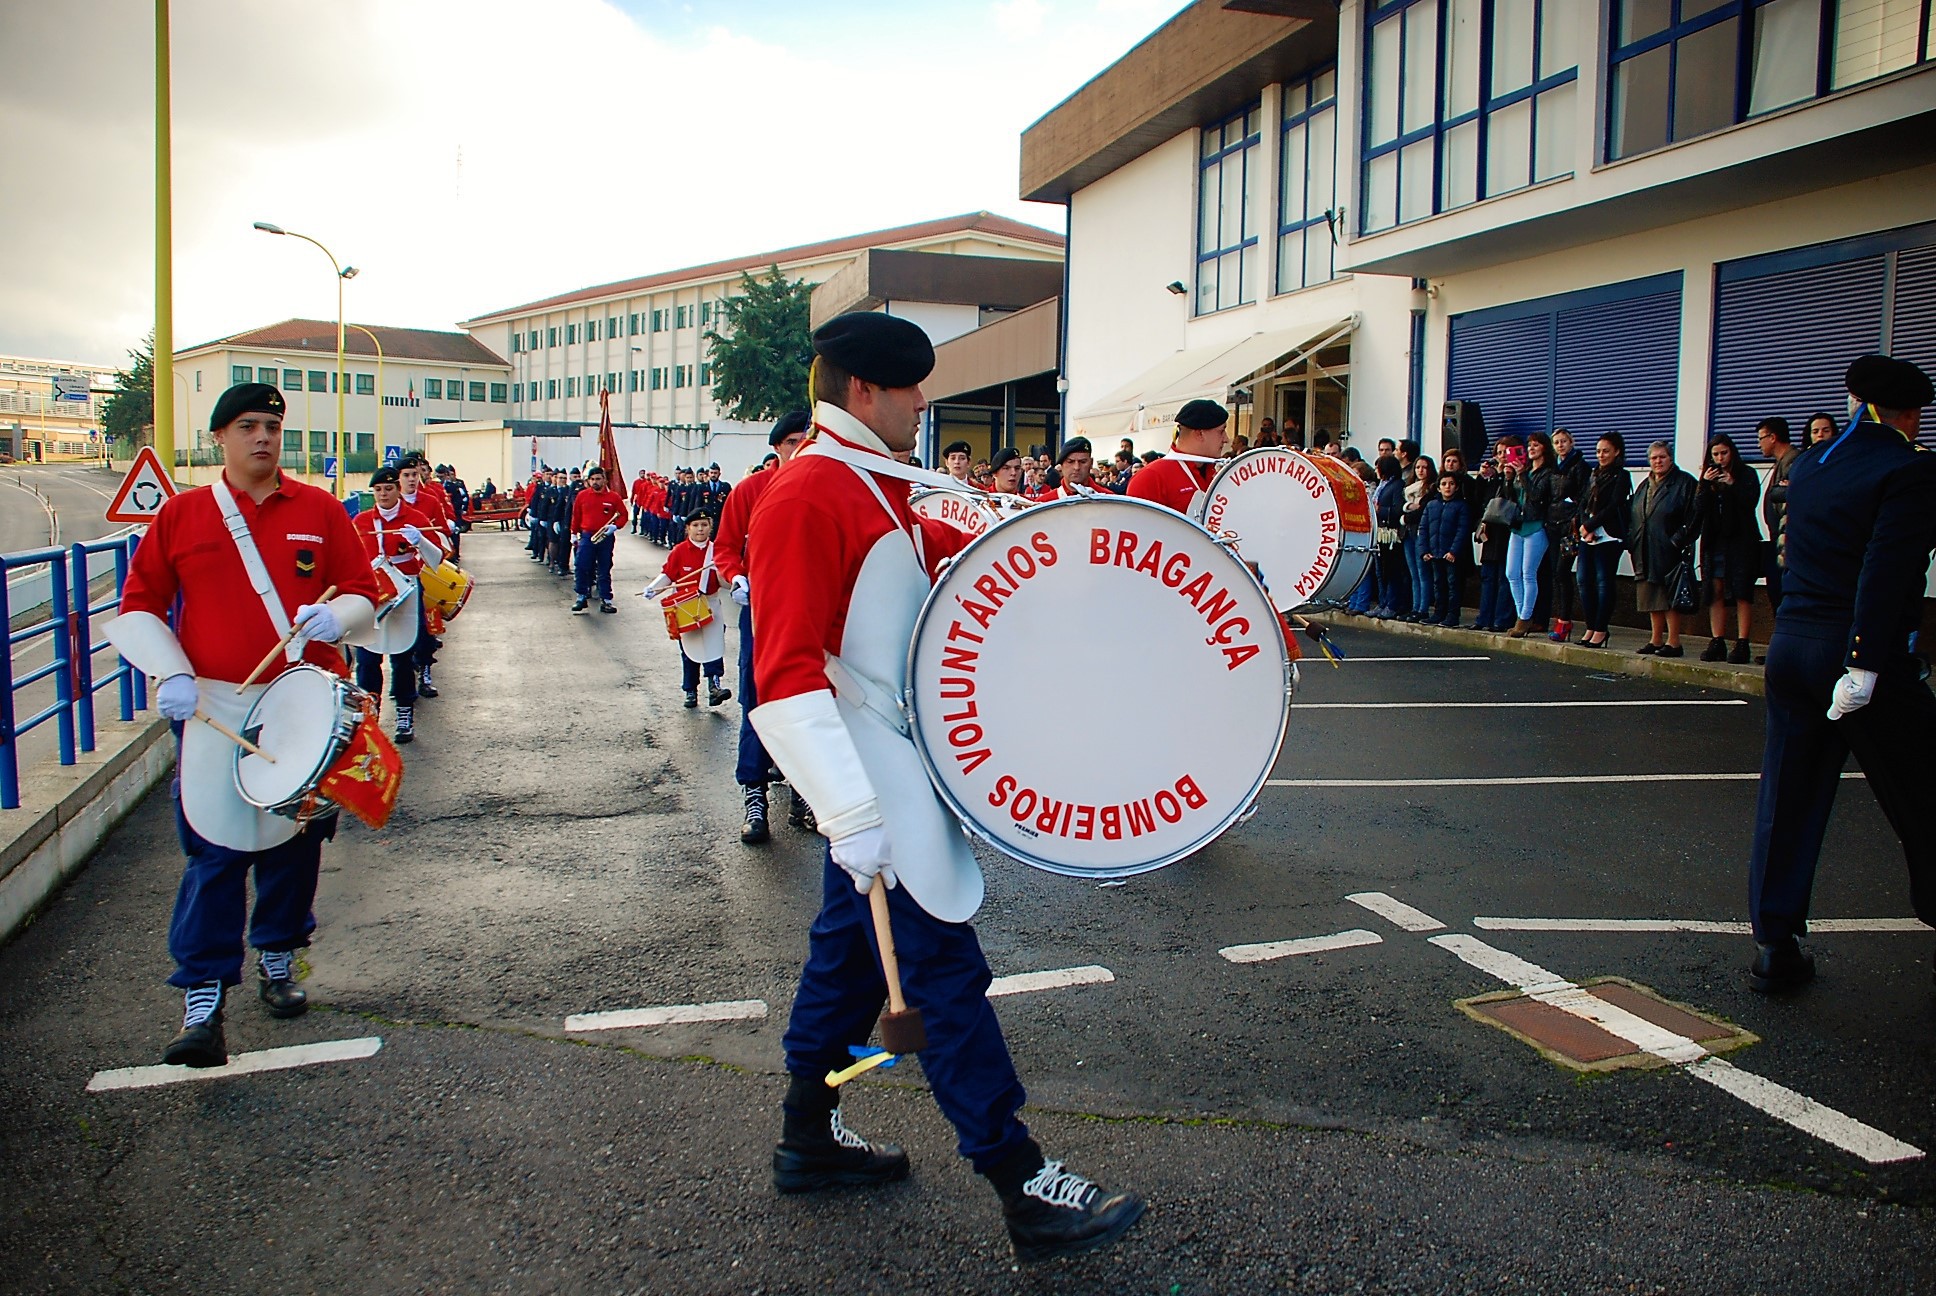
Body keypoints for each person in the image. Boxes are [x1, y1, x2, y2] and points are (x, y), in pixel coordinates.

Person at [746, 311, 1143, 1260]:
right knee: (947, 973)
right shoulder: (808, 495)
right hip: (869, 779)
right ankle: (1021, 1183)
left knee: (848, 962)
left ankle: (809, 1136)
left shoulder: (872, 488)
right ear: (863, 393)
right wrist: (849, 815)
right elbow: (783, 676)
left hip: (886, 769)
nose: (924, 406)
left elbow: (959, 581)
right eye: (910, 389)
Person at [103, 383, 380, 1067]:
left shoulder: (317, 508)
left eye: (273, 426)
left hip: (302, 702)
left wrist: (336, 616)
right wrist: (169, 673)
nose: (263, 437)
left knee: (296, 843)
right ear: (220, 436)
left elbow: (364, 592)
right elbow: (139, 605)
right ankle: (202, 996)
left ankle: (280, 956)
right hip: (213, 704)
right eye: (248, 426)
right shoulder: (183, 515)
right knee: (213, 847)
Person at [1747, 355, 1936, 993]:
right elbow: (1883, 574)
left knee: (1788, 798)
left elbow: (1790, 551)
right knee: (1926, 796)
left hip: (1793, 643)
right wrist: (1862, 661)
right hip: (1855, 653)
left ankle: (1775, 941)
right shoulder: (1907, 470)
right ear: (1905, 413)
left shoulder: (1810, 466)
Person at [714, 410, 814, 844]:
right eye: (792, 442)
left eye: (806, 440)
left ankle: (803, 794)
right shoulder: (750, 491)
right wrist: (736, 575)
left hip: (810, 614)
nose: (800, 449)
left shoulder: (818, 488)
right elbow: (725, 547)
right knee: (757, 704)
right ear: (776, 447)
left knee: (808, 706)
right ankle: (755, 796)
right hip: (760, 614)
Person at [350, 465, 446, 743]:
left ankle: (404, 712)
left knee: (402, 656)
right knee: (367, 659)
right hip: (373, 594)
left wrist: (420, 541)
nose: (383, 494)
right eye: (378, 490)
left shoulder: (414, 518)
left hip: (405, 593)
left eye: (388, 489)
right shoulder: (362, 521)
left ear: (397, 490)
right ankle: (370, 713)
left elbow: (436, 559)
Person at [644, 513, 731, 708]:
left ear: (710, 527)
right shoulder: (679, 551)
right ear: (688, 528)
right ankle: (690, 690)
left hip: (710, 603)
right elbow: (668, 574)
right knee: (690, 650)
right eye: (696, 525)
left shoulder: (717, 551)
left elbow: (726, 581)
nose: (700, 529)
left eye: (704, 525)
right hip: (686, 606)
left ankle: (714, 686)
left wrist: (733, 582)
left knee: (714, 646)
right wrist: (653, 588)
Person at [1628, 440, 1700, 657]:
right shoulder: (1645, 484)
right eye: (1653, 458)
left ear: (1671, 458)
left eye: (1662, 457)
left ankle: (1674, 642)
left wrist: (1677, 541)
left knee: (1670, 597)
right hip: (1645, 547)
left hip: (1670, 548)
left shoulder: (1685, 483)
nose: (1657, 462)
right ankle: (1656, 639)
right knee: (1652, 596)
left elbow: (1695, 517)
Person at [1696, 435, 1763, 663]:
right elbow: (1698, 508)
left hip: (1741, 540)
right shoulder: (1708, 478)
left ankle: (1743, 641)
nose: (1720, 458)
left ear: (1732, 452)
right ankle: (1717, 640)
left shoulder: (1746, 474)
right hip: (1715, 540)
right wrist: (1705, 484)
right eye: (1715, 454)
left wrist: (1732, 485)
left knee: (1742, 590)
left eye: (1724, 453)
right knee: (1715, 590)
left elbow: (1750, 502)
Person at [1574, 433, 1632, 649]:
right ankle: (1590, 626)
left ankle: (1601, 628)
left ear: (1617, 451)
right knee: (1583, 581)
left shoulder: (1622, 476)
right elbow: (1582, 503)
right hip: (1587, 535)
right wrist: (1583, 527)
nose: (1601, 455)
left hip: (1608, 535)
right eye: (1598, 451)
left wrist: (1591, 525)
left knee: (1604, 582)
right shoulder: (1593, 474)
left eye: (1606, 451)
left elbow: (1615, 505)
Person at [1504, 431, 1561, 638]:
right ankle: (1522, 614)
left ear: (1545, 448)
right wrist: (1510, 479)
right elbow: (1512, 497)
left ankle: (1526, 617)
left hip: (1536, 526)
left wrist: (1521, 476)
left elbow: (1537, 497)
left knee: (1529, 573)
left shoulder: (1548, 473)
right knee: (1511, 572)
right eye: (1529, 446)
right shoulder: (1525, 470)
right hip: (1518, 525)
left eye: (1536, 445)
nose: (1531, 449)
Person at [1127, 399, 1228, 513]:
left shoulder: (1215, 474)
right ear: (1199, 434)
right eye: (1221, 431)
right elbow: (1138, 527)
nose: (1226, 439)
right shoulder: (1151, 478)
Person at [1546, 430, 1589, 643]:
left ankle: (1565, 620)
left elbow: (1584, 497)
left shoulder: (1580, 466)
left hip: (1569, 528)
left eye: (1564, 441)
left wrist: (1575, 516)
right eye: (1556, 442)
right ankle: (1561, 618)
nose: (1560, 445)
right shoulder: (1552, 466)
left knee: (1563, 571)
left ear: (1572, 442)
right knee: (1556, 572)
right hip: (1552, 525)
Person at [1756, 418, 1800, 618]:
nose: (1758, 444)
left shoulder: (1792, 461)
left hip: (1787, 543)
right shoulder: (1780, 463)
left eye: (1761, 438)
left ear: (1773, 438)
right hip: (1777, 541)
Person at [570, 465, 628, 615]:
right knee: (581, 566)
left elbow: (623, 514)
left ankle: (606, 599)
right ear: (588, 481)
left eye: (598, 479)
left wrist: (615, 527)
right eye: (592, 479)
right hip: (587, 536)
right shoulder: (582, 496)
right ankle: (581, 597)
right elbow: (576, 515)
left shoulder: (613, 497)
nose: (595, 482)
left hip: (605, 537)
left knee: (604, 568)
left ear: (604, 480)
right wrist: (573, 533)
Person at [1472, 438, 1517, 632]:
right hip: (1491, 531)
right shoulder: (1492, 477)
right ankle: (1484, 617)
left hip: (1508, 531)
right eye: (1499, 453)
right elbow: (1479, 500)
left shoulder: (1516, 476)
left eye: (1506, 453)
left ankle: (1502, 619)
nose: (1502, 457)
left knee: (1504, 577)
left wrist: (1504, 477)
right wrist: (1483, 478)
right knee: (1488, 576)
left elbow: (1511, 499)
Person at [1420, 472, 1468, 628]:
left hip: (1451, 554)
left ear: (1457, 487)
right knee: (1438, 584)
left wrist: (1454, 551)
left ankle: (1453, 615)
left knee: (1453, 585)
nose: (1448, 487)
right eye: (1444, 484)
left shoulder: (1461, 506)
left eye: (1451, 484)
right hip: (1435, 552)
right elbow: (1424, 528)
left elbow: (1463, 530)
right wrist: (1424, 550)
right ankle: (1438, 613)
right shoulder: (1431, 505)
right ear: (1439, 488)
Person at [1370, 454, 1407, 619]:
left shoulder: (1397, 485)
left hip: (1390, 534)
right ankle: (1382, 602)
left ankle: (1392, 604)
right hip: (1379, 533)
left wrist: (1380, 510)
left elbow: (1398, 509)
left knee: (1391, 571)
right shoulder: (1382, 485)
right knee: (1380, 571)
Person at [1399, 456, 1435, 621]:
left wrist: (1407, 515)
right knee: (1413, 572)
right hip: (1407, 533)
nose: (1421, 470)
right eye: (1418, 467)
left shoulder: (1431, 488)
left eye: (1425, 467)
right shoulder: (1409, 488)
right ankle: (1415, 607)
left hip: (1421, 533)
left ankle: (1423, 608)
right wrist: (1407, 508)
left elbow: (1422, 511)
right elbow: (1403, 507)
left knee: (1423, 572)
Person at [1030, 436, 1099, 500]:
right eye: (1070, 462)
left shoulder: (1107, 500)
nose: (1077, 467)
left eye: (1083, 462)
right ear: (1061, 464)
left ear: (1091, 463)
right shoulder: (1045, 502)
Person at [630, 469, 654, 536]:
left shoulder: (646, 483)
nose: (642, 475)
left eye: (643, 473)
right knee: (635, 514)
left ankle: (642, 529)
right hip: (638, 500)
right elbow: (633, 492)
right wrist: (632, 500)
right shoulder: (636, 482)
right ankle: (634, 527)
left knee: (644, 516)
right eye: (641, 473)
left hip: (645, 501)